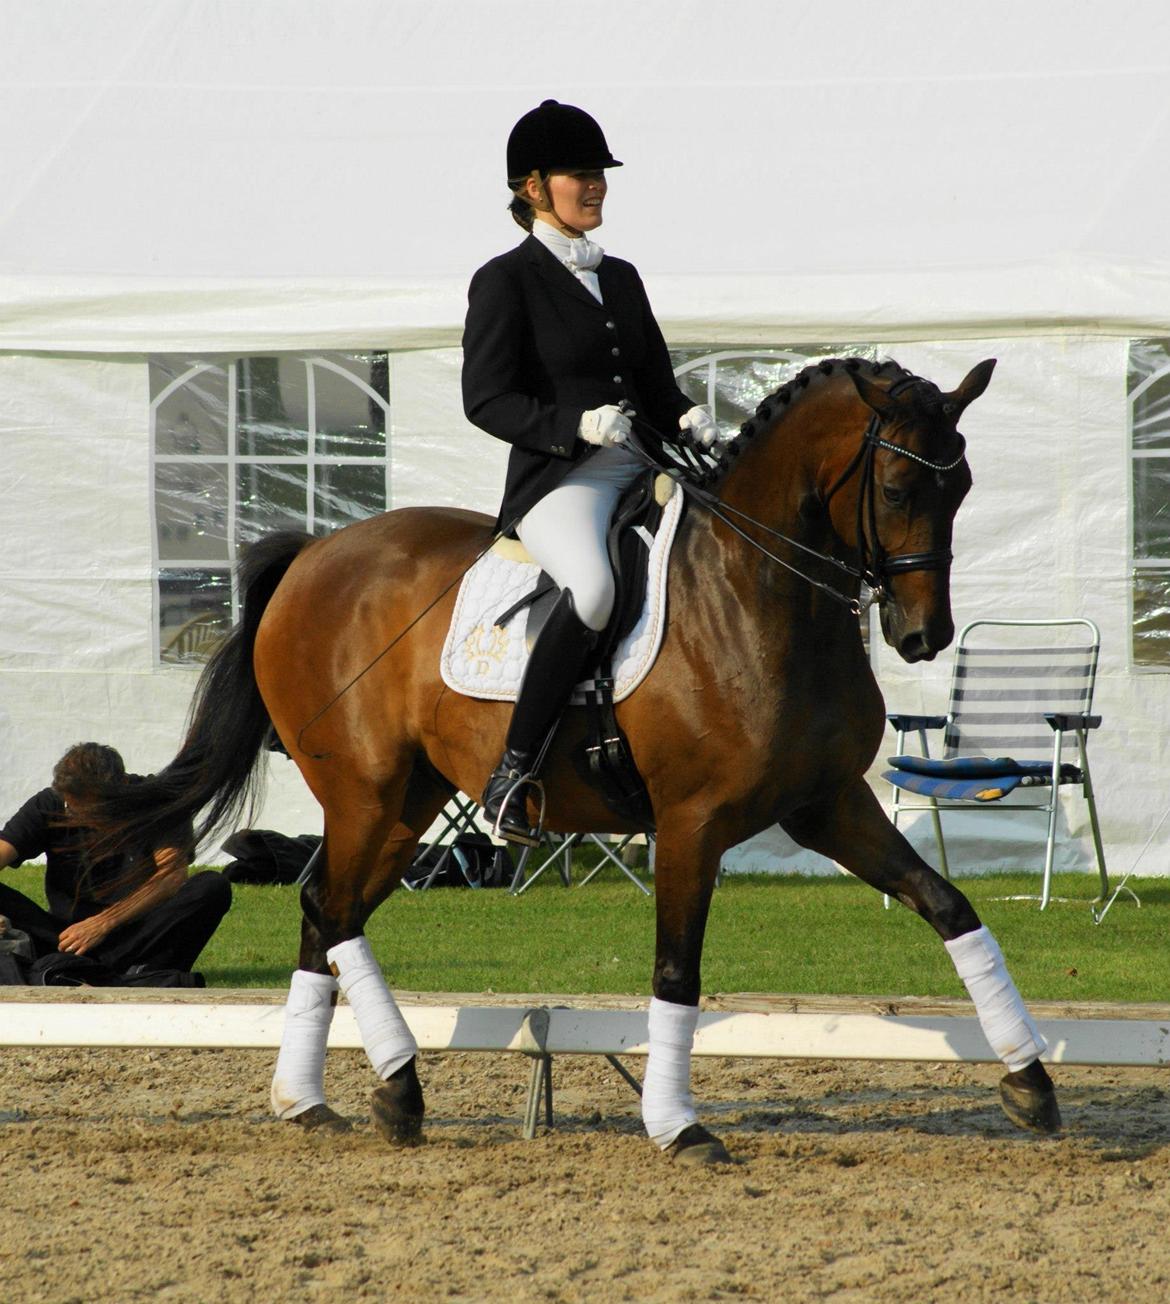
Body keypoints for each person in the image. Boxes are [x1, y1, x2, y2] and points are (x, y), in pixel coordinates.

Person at [462, 98, 720, 844]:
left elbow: (656, 385)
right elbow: (486, 399)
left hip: (643, 464)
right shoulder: (505, 280)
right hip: (561, 480)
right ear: (533, 188)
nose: (597, 184)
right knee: (595, 589)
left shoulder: (623, 277)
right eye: (581, 174)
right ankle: (513, 773)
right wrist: (573, 425)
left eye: (600, 173)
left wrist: (688, 417)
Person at [0, 742, 231, 980]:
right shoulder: (49, 805)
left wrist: (104, 923)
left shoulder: (158, 803)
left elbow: (171, 877)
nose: (78, 817)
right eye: (71, 808)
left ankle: (97, 971)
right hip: (66, 939)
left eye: (90, 810)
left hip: (139, 935)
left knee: (212, 886)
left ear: (120, 790)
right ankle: (121, 974)